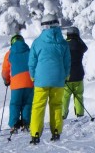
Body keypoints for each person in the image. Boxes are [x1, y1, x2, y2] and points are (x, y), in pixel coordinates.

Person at [27, 14, 70, 144]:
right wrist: (66, 76)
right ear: (57, 24)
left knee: (38, 106)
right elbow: (67, 62)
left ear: (44, 26)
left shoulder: (37, 42)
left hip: (41, 80)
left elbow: (32, 61)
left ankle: (35, 134)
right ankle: (56, 131)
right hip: (58, 79)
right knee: (56, 105)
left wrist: (32, 75)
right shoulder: (63, 43)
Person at [1, 33, 34, 133]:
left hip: (16, 84)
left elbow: (5, 71)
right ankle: (26, 123)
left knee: (15, 104)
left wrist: (6, 80)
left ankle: (14, 125)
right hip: (30, 82)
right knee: (27, 103)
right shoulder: (29, 51)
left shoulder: (9, 53)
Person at [62, 26, 88, 119]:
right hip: (78, 75)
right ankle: (80, 114)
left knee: (65, 97)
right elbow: (85, 48)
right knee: (79, 96)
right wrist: (78, 39)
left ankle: (62, 115)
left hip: (66, 76)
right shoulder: (79, 45)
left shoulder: (63, 45)